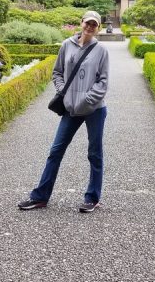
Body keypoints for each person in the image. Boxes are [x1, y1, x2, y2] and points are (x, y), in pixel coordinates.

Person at [18, 11, 110, 213]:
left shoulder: (102, 50)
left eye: (94, 25)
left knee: (95, 154)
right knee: (56, 151)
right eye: (88, 23)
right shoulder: (66, 45)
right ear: (81, 23)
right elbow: (57, 72)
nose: (90, 27)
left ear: (98, 28)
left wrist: (86, 100)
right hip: (70, 108)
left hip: (94, 109)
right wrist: (63, 92)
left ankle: (92, 198)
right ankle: (40, 197)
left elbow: (103, 81)